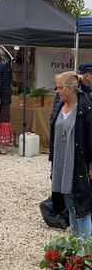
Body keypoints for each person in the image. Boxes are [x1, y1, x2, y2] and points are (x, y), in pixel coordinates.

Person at [49, 71, 92, 238]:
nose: (57, 91)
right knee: (69, 203)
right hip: (62, 163)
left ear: (70, 88)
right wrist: (53, 161)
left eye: (60, 88)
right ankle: (76, 247)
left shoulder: (86, 109)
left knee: (83, 205)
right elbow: (54, 135)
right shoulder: (59, 106)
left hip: (79, 164)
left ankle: (87, 250)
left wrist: (90, 165)